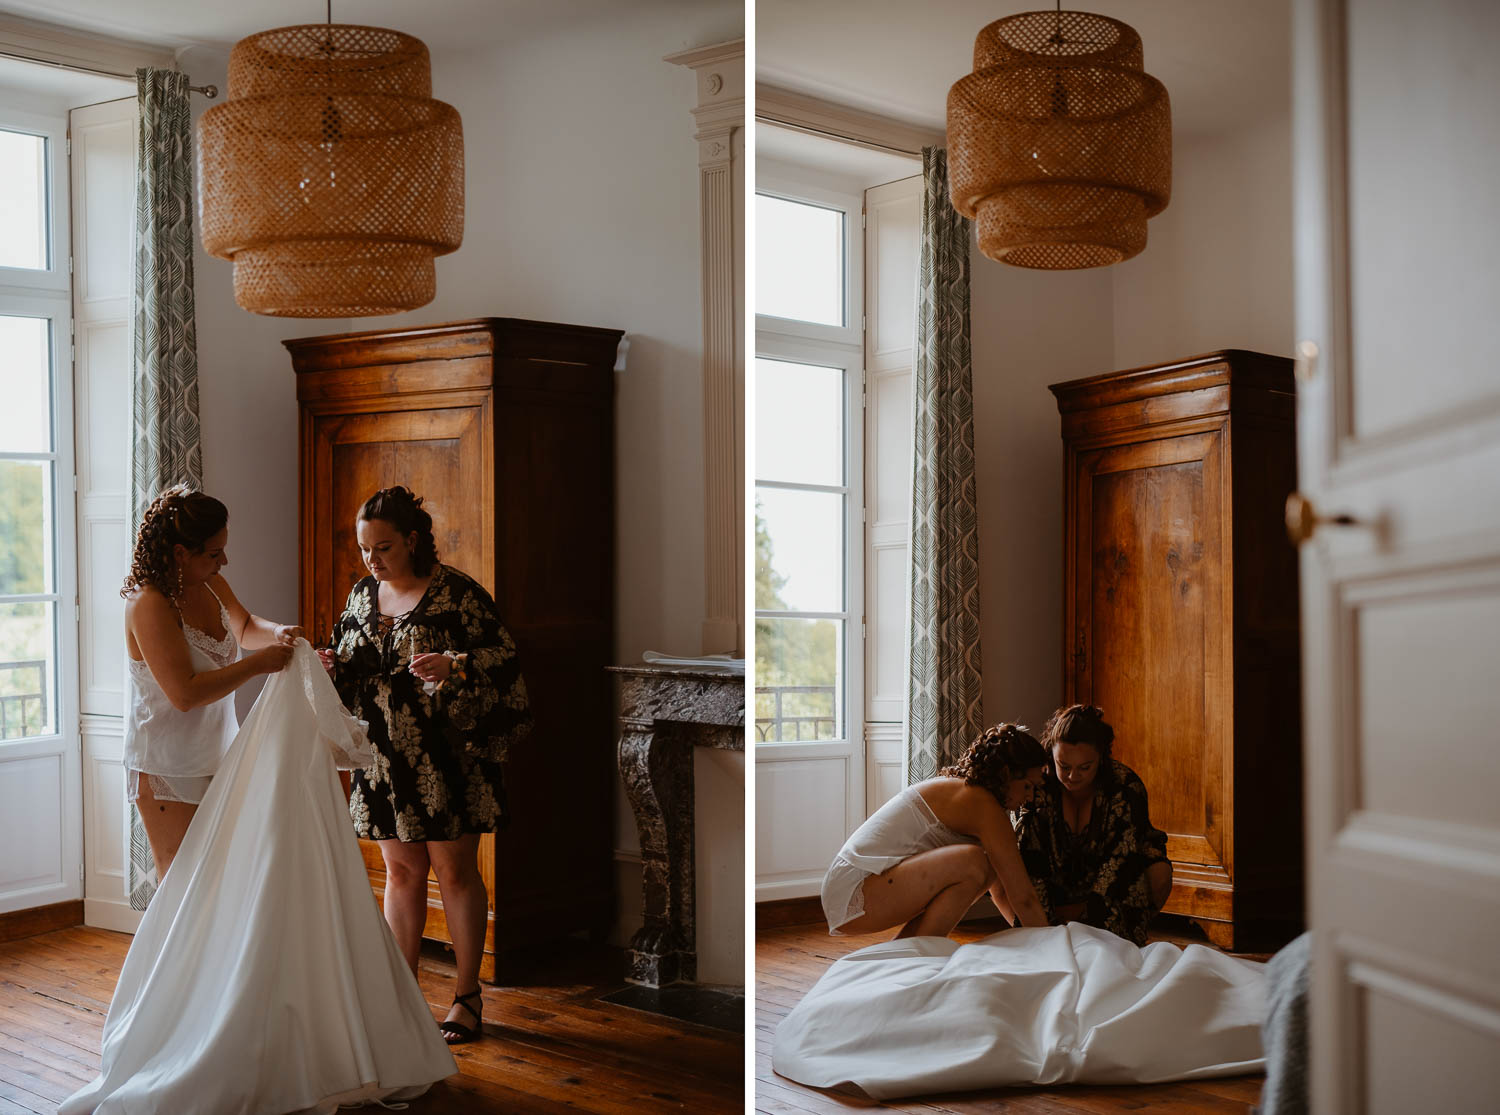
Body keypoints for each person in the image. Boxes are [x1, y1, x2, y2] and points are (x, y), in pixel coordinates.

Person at [318, 486, 532, 1045]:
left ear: (413, 540)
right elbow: (344, 663)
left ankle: (467, 997)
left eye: (383, 548)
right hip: (385, 758)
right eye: (365, 550)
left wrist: (455, 666)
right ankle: (402, 997)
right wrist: (329, 664)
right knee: (403, 874)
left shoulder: (458, 595)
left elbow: (504, 660)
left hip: (449, 758)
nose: (372, 561)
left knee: (456, 874)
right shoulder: (361, 598)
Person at [121, 485, 298, 882]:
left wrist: (278, 633)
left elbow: (246, 627)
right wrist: (257, 666)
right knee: (182, 884)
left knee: (222, 881)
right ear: (181, 553)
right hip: (167, 763)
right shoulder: (148, 603)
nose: (225, 561)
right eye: (214, 554)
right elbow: (185, 693)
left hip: (219, 752)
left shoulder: (210, 585)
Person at [819, 723, 1052, 938]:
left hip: (846, 890)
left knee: (985, 865)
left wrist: (1025, 938)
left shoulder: (974, 795)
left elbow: (1001, 890)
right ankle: (914, 958)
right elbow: (1024, 897)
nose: (1029, 797)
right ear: (1006, 775)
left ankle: (904, 958)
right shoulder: (982, 805)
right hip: (855, 891)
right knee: (974, 861)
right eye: (1027, 786)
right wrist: (1052, 945)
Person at [1015, 703, 1172, 945]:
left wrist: (1091, 928)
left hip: (1114, 883)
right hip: (1052, 883)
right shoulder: (1038, 786)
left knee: (1159, 872)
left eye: (1084, 767)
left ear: (1101, 757)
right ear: (1051, 755)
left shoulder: (1125, 787)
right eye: (1063, 766)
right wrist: (1043, 932)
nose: (1072, 776)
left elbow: (1121, 862)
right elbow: (1031, 861)